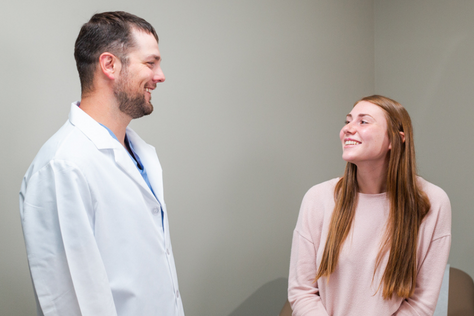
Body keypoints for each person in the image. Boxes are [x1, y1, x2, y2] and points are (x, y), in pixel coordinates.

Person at [19, 11, 184, 316]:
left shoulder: (140, 154)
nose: (161, 76)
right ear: (109, 64)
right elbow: (73, 302)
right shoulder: (62, 167)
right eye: (150, 63)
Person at [288, 95, 451, 316]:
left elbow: (420, 303)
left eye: (363, 121)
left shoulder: (432, 202)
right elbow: (302, 291)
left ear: (395, 139)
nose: (348, 129)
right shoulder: (317, 198)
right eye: (347, 121)